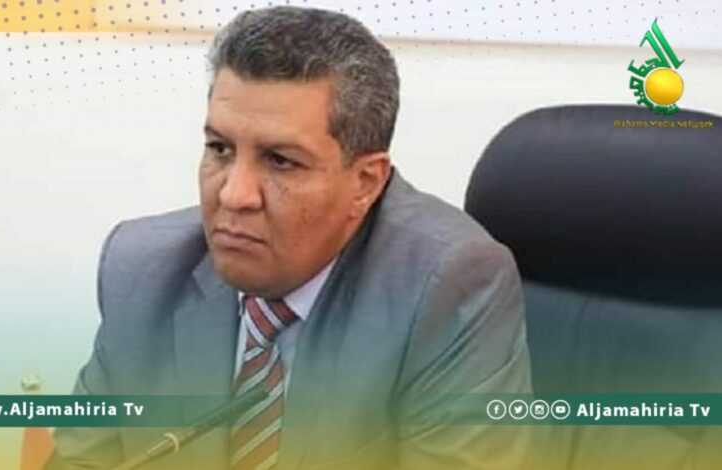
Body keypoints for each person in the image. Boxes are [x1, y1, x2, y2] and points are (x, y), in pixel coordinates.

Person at [50, 6, 532, 470]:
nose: (234, 195)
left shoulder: (449, 285)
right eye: (220, 149)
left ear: (365, 183)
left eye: (280, 161)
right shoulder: (141, 268)